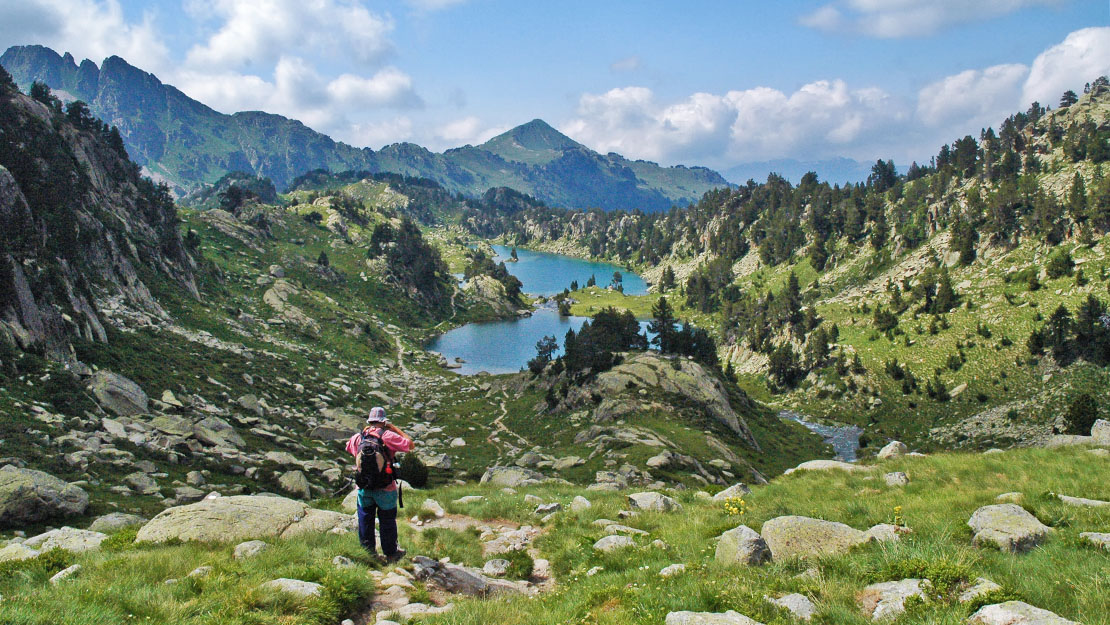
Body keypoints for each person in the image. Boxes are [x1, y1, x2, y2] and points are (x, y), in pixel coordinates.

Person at [345, 406, 413, 562]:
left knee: (365, 519)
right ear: (384, 421)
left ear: (370, 421)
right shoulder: (388, 435)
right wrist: (394, 428)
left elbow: (349, 448)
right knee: (387, 520)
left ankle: (368, 554)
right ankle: (390, 553)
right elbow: (410, 445)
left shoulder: (359, 437)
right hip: (386, 487)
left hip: (364, 487)